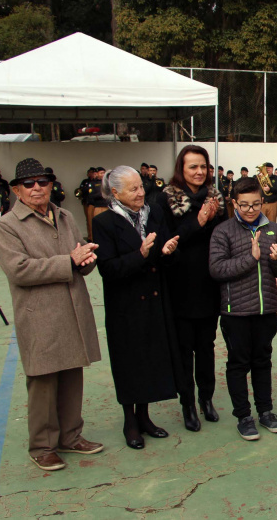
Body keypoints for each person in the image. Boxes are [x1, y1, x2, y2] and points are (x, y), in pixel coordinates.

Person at [0, 158, 104, 471]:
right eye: (28, 184)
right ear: (16, 190)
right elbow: (19, 270)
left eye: (42, 182)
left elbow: (79, 253)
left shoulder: (64, 216)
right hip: (39, 315)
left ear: (51, 185)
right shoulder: (7, 226)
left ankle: (70, 436)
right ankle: (42, 446)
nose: (36, 188)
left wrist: (87, 260)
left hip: (72, 309)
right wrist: (70, 261)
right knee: (42, 381)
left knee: (71, 375)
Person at [93, 166, 181, 450]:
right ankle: (129, 421)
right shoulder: (104, 222)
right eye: (133, 189)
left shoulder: (154, 213)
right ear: (115, 193)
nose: (141, 192)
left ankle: (144, 416)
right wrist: (140, 254)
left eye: (141, 186)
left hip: (155, 298)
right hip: (125, 304)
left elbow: (165, 249)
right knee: (128, 362)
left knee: (150, 358)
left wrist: (166, 251)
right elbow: (107, 268)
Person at [209, 176, 277, 441]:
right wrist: (250, 258)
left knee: (262, 361)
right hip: (237, 313)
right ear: (235, 203)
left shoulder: (273, 229)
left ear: (262, 201)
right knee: (238, 364)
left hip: (266, 311)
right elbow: (217, 269)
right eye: (244, 205)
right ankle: (243, 416)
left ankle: (265, 412)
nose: (251, 210)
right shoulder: (223, 231)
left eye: (255, 204)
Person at [158, 145, 226, 432]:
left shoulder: (216, 199)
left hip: (209, 284)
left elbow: (224, 237)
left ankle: (206, 399)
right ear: (181, 169)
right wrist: (197, 222)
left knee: (206, 347)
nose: (199, 172)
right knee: (184, 349)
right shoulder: (165, 199)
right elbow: (166, 241)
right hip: (180, 285)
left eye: (203, 167)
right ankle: (187, 403)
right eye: (192, 167)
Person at [85, 166, 108, 242]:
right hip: (98, 206)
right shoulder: (93, 183)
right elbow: (91, 195)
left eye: (104, 173)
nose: (103, 174)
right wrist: (102, 194)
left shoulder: (107, 183)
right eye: (101, 173)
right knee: (97, 225)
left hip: (107, 206)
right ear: (97, 174)